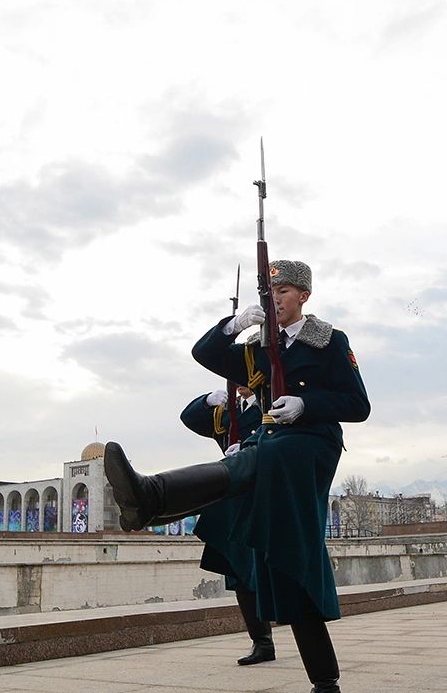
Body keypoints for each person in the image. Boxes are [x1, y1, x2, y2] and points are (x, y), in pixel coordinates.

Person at [105, 260, 369, 693]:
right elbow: (204, 354)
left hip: (310, 448)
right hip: (269, 449)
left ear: (303, 296)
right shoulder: (259, 349)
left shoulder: (330, 342)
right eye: (270, 292)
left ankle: (154, 496)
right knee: (289, 558)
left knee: (258, 458)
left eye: (283, 291)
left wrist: (307, 406)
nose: (276, 299)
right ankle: (325, 682)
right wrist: (234, 325)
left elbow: (358, 404)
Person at [178, 385, 274, 666]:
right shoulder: (228, 413)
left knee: (272, 568)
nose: (239, 382)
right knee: (238, 571)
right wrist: (206, 401)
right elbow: (190, 418)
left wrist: (246, 448)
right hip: (234, 497)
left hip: (264, 492)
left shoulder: (270, 403)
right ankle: (262, 642)